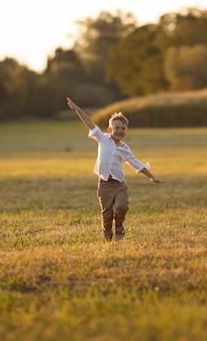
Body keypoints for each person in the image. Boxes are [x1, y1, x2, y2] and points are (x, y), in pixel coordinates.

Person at [66, 97, 164, 241]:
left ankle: (119, 226)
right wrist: (76, 108)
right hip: (104, 185)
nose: (119, 131)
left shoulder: (125, 149)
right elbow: (89, 122)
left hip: (119, 185)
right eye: (116, 128)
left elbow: (137, 164)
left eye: (122, 128)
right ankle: (108, 237)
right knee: (106, 215)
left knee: (121, 206)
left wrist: (152, 177)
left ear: (126, 131)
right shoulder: (103, 139)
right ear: (110, 129)